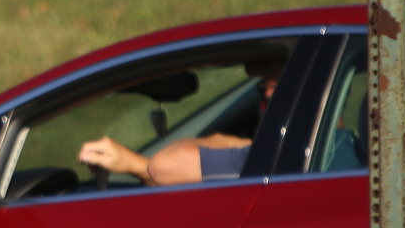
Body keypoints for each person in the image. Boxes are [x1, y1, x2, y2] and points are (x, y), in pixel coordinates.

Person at [77, 59, 284, 186]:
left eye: (276, 84)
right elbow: (168, 172)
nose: (266, 94)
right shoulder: (285, 160)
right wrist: (135, 165)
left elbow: (165, 164)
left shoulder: (274, 155)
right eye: (262, 87)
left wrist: (231, 143)